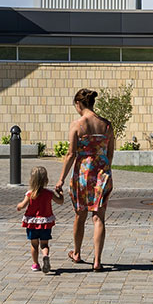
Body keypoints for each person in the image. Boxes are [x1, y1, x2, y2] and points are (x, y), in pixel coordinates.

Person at [55, 88, 114, 271]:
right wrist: (103, 168)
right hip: (102, 173)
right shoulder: (107, 125)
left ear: (79, 104)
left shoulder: (77, 125)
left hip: (83, 174)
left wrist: (61, 179)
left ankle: (77, 252)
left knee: (80, 214)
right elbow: (110, 154)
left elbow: (71, 154)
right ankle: (97, 261)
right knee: (99, 217)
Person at [16, 166, 63, 273]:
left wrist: (19, 206)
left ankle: (36, 264)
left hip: (32, 223)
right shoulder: (49, 193)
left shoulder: (30, 194)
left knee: (34, 244)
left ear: (31, 180)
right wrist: (60, 193)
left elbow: (22, 205)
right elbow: (60, 201)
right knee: (44, 244)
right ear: (46, 180)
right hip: (45, 223)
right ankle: (45, 256)